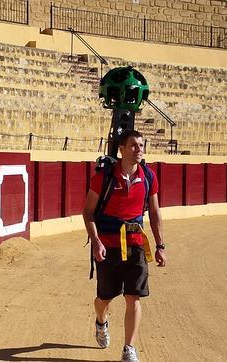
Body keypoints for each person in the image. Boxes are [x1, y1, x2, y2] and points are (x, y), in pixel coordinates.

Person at [82, 129, 167, 362]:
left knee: (133, 297)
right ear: (121, 149)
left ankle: (128, 348)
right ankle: (101, 321)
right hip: (108, 245)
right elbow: (88, 212)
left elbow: (156, 214)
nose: (139, 149)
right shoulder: (104, 177)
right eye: (133, 145)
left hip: (136, 243)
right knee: (105, 298)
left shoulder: (149, 176)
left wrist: (160, 245)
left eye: (141, 145)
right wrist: (96, 242)